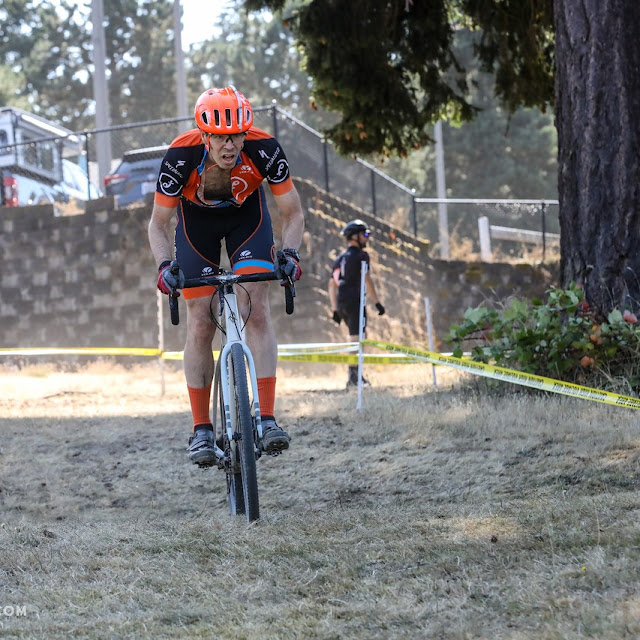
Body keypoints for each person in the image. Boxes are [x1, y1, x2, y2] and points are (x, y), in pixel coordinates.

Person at [148, 86, 304, 466]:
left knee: (259, 309)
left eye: (235, 135)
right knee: (200, 323)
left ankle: (266, 418)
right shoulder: (181, 155)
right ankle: (201, 429)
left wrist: (291, 254)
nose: (229, 145)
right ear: (205, 135)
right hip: (195, 224)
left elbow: (293, 213)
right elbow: (157, 223)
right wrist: (165, 266)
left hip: (246, 219)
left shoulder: (265, 149)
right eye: (219, 136)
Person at [328, 219, 385, 389]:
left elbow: (332, 285)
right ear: (354, 237)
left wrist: (335, 310)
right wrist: (378, 303)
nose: (367, 238)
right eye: (365, 234)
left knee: (356, 337)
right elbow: (367, 279)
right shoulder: (362, 256)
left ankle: (355, 375)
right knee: (356, 338)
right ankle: (353, 376)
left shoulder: (340, 259)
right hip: (355, 301)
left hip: (342, 302)